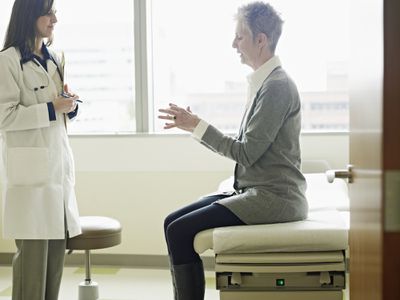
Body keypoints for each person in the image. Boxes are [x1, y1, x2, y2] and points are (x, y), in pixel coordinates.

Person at [159, 2, 308, 299]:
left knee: (179, 232)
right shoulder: (264, 83)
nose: (233, 44)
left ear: (261, 40)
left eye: (239, 37)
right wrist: (194, 126)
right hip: (254, 190)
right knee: (171, 223)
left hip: (276, 198)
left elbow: (247, 153)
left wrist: (196, 125)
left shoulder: (277, 86)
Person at [0, 0, 82, 299]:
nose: (54, 20)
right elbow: (4, 117)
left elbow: (59, 113)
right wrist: (51, 108)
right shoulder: (7, 61)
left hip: (57, 176)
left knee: (54, 270)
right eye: (48, 13)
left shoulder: (56, 59)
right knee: (31, 275)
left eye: (55, 13)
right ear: (30, 14)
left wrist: (69, 106)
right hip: (30, 181)